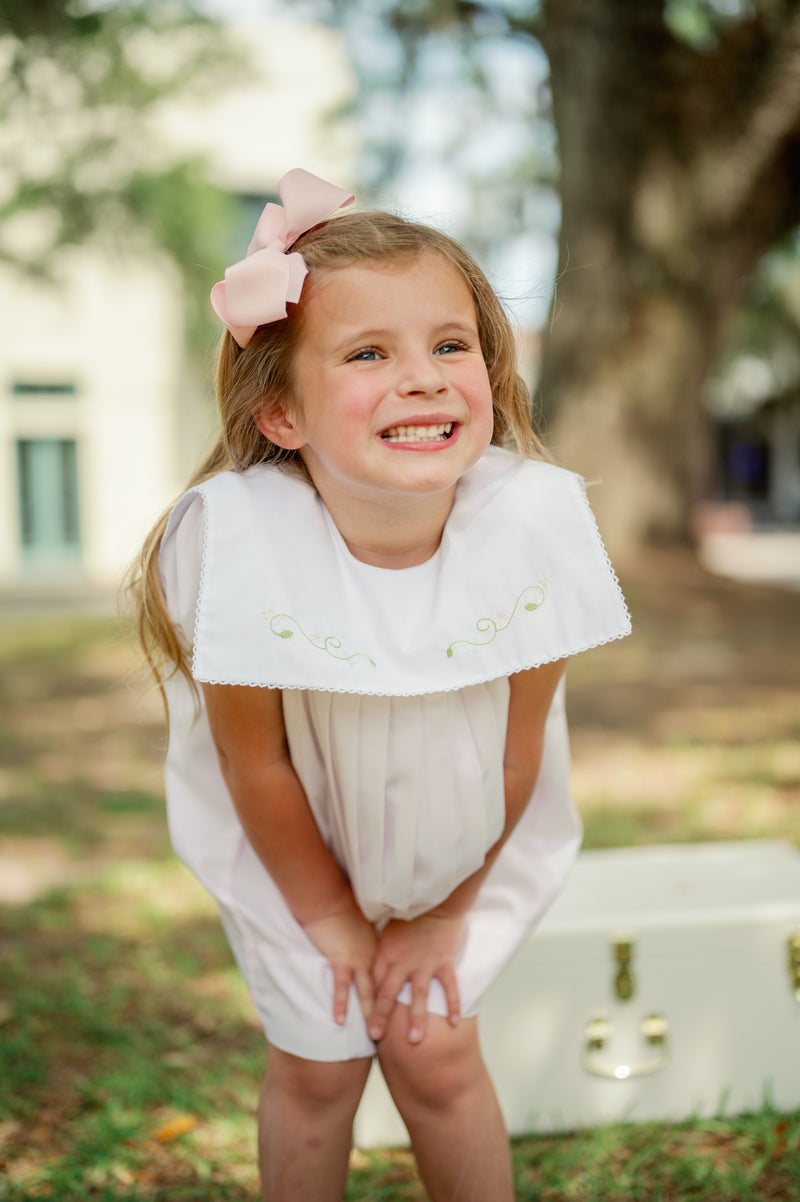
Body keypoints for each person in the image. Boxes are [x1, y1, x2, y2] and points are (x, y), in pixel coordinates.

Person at [128, 168, 630, 1202]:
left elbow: (515, 749)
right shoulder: (235, 539)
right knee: (320, 1068)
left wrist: (444, 909)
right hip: (289, 845)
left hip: (471, 834)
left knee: (433, 1048)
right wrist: (332, 918)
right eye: (368, 353)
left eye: (450, 344)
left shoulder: (531, 521)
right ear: (280, 414)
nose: (425, 377)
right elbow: (251, 758)